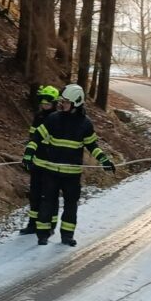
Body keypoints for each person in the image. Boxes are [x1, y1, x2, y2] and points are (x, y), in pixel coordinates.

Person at [24, 84, 115, 246]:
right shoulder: (53, 119)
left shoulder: (85, 124)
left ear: (76, 102)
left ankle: (67, 236)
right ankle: (42, 234)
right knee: (47, 202)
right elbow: (36, 137)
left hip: (72, 175)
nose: (61, 104)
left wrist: (104, 161)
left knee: (70, 205)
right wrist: (29, 153)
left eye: (65, 102)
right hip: (51, 171)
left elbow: (92, 146)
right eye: (62, 101)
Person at [20, 85, 59, 234]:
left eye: (48, 103)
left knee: (50, 196)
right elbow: (32, 136)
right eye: (43, 103)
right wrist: (29, 155)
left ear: (54, 103)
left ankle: (50, 225)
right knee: (35, 195)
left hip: (52, 164)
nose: (45, 106)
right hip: (37, 162)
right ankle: (32, 224)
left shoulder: (58, 118)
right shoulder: (39, 116)